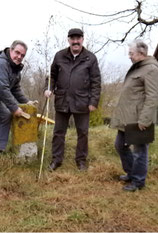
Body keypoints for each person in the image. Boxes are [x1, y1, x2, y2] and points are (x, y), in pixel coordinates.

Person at [44, 28, 101, 171]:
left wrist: (93, 101)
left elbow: (96, 81)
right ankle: (56, 160)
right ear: (68, 39)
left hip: (83, 102)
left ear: (82, 39)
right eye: (72, 38)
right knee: (58, 132)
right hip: (62, 100)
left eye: (78, 38)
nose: (75, 41)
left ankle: (81, 161)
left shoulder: (90, 58)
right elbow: (52, 76)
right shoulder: (59, 56)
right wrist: (48, 88)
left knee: (83, 133)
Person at [110, 40, 158, 192]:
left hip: (139, 119)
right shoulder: (139, 68)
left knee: (139, 151)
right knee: (120, 145)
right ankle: (131, 173)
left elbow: (153, 97)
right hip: (127, 118)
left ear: (141, 54)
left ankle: (138, 182)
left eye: (131, 54)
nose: (129, 56)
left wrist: (145, 119)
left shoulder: (151, 69)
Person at [0, 40, 35, 152]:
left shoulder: (15, 68)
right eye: (17, 53)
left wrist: (27, 102)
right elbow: (1, 88)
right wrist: (14, 108)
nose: (19, 57)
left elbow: (15, 89)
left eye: (22, 55)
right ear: (10, 50)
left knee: (5, 116)